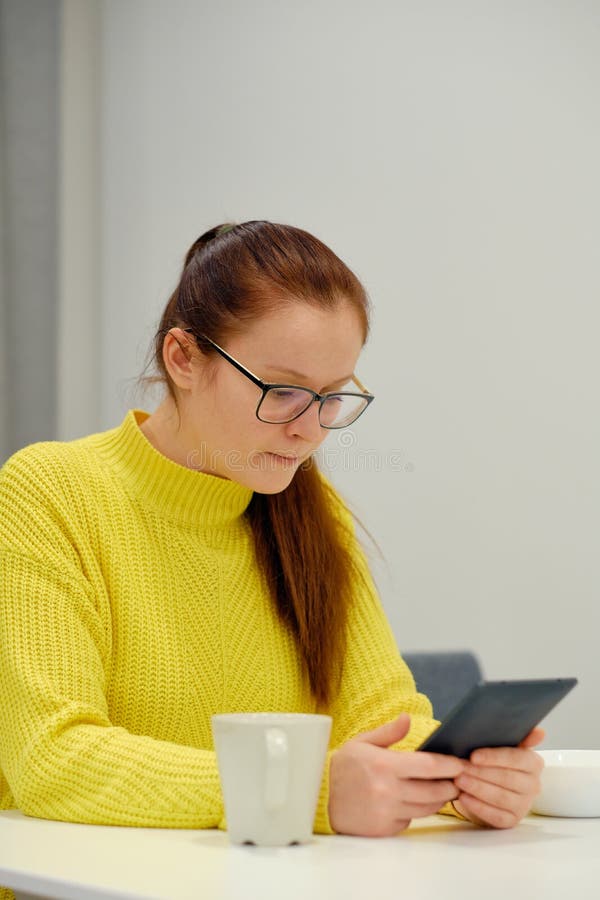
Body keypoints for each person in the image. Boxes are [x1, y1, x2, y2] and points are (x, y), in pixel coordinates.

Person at [0, 221, 543, 854]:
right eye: (282, 391)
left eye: (332, 397)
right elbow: (51, 758)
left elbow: (385, 719)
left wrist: (459, 778)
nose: (310, 431)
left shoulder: (312, 514)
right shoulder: (51, 492)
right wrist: (300, 792)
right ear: (182, 359)